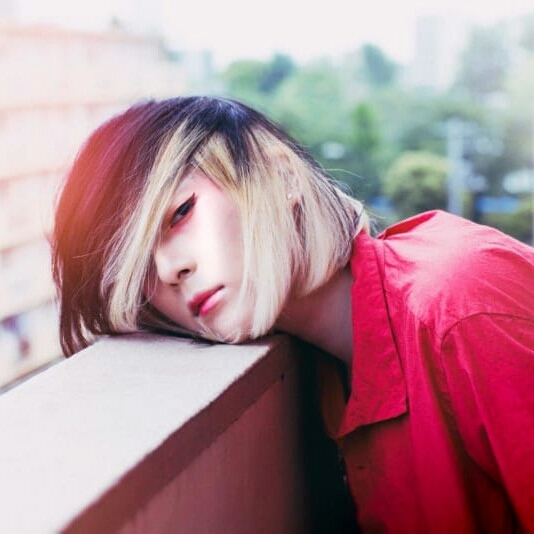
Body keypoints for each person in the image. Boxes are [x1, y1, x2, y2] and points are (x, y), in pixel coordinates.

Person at [52, 96, 534, 532]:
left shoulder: (461, 302)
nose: (168, 270)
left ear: (282, 174)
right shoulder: (325, 370)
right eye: (140, 270)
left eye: (181, 213)